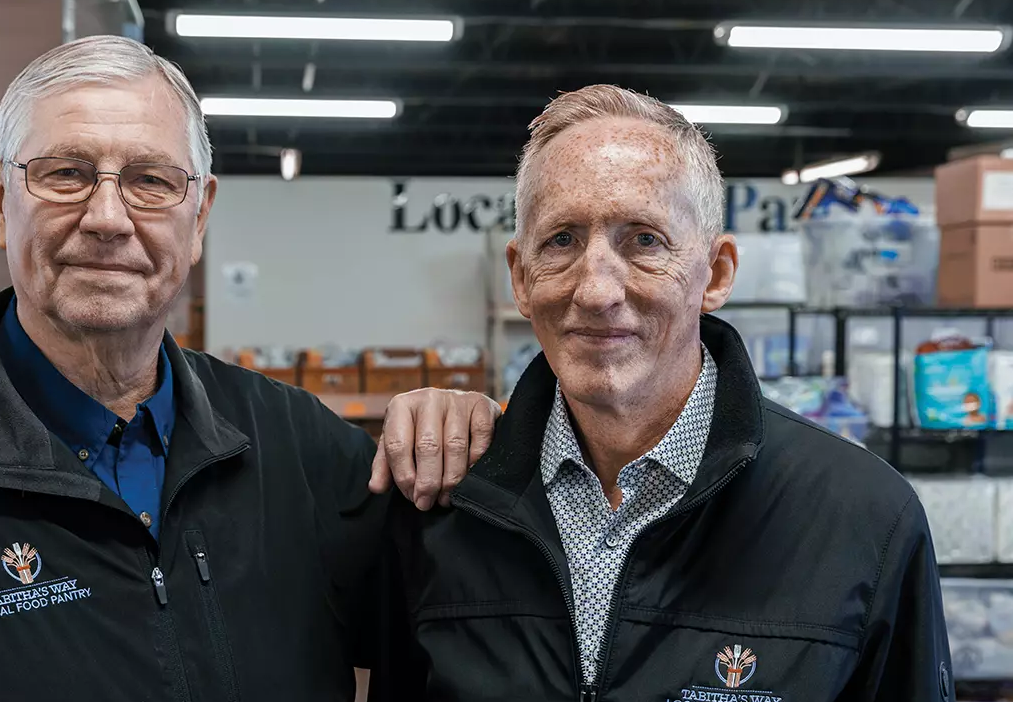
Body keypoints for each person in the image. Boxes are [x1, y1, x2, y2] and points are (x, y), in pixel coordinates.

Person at [0, 36, 499, 701]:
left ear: (200, 216)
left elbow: (465, 653)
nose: (109, 218)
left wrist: (474, 439)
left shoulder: (310, 458)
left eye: (151, 181)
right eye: (66, 174)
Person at [374, 85, 953, 701]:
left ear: (717, 273)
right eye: (562, 240)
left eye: (644, 239)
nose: (596, 291)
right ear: (520, 277)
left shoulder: (863, 519)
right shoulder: (446, 505)